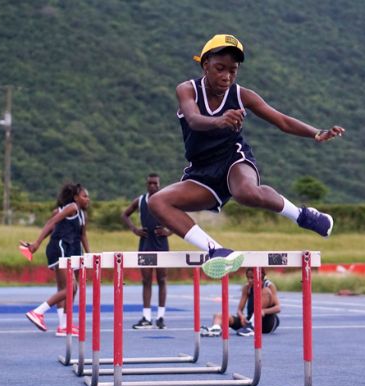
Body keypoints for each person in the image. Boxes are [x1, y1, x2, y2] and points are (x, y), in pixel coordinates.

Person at [147, 34, 345, 279]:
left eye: (233, 70)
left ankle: (303, 216)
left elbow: (281, 120)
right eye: (220, 68)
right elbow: (193, 120)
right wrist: (219, 120)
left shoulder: (242, 95)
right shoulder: (187, 89)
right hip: (202, 172)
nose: (226, 76)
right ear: (205, 64)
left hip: (234, 160)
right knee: (157, 201)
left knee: (247, 193)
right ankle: (216, 250)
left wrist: (317, 133)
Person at [19, 183, 91, 336]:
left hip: (73, 250)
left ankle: (64, 325)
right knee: (71, 288)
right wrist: (36, 243)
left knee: (67, 290)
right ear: (76, 197)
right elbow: (51, 224)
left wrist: (89, 255)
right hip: (61, 248)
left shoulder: (82, 215)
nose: (88, 199)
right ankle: (38, 312)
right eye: (85, 196)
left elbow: (83, 235)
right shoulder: (71, 208)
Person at [121, 173, 172, 329]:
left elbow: (181, 217)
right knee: (146, 280)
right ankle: (146, 317)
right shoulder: (141, 200)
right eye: (150, 183)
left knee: (162, 279)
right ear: (146, 184)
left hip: (161, 244)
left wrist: (169, 231)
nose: (152, 186)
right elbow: (125, 214)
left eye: (155, 183)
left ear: (159, 184)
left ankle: (161, 317)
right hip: (146, 244)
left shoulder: (166, 199)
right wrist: (134, 230)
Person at [201, 268, 281, 337]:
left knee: (265, 292)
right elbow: (239, 309)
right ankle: (216, 329)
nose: (250, 280)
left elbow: (278, 308)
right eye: (248, 278)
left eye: (252, 278)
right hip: (249, 320)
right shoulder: (247, 288)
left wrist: (263, 311)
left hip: (267, 322)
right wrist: (242, 316)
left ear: (260, 276)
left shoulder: (269, 286)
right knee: (219, 315)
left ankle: (252, 326)